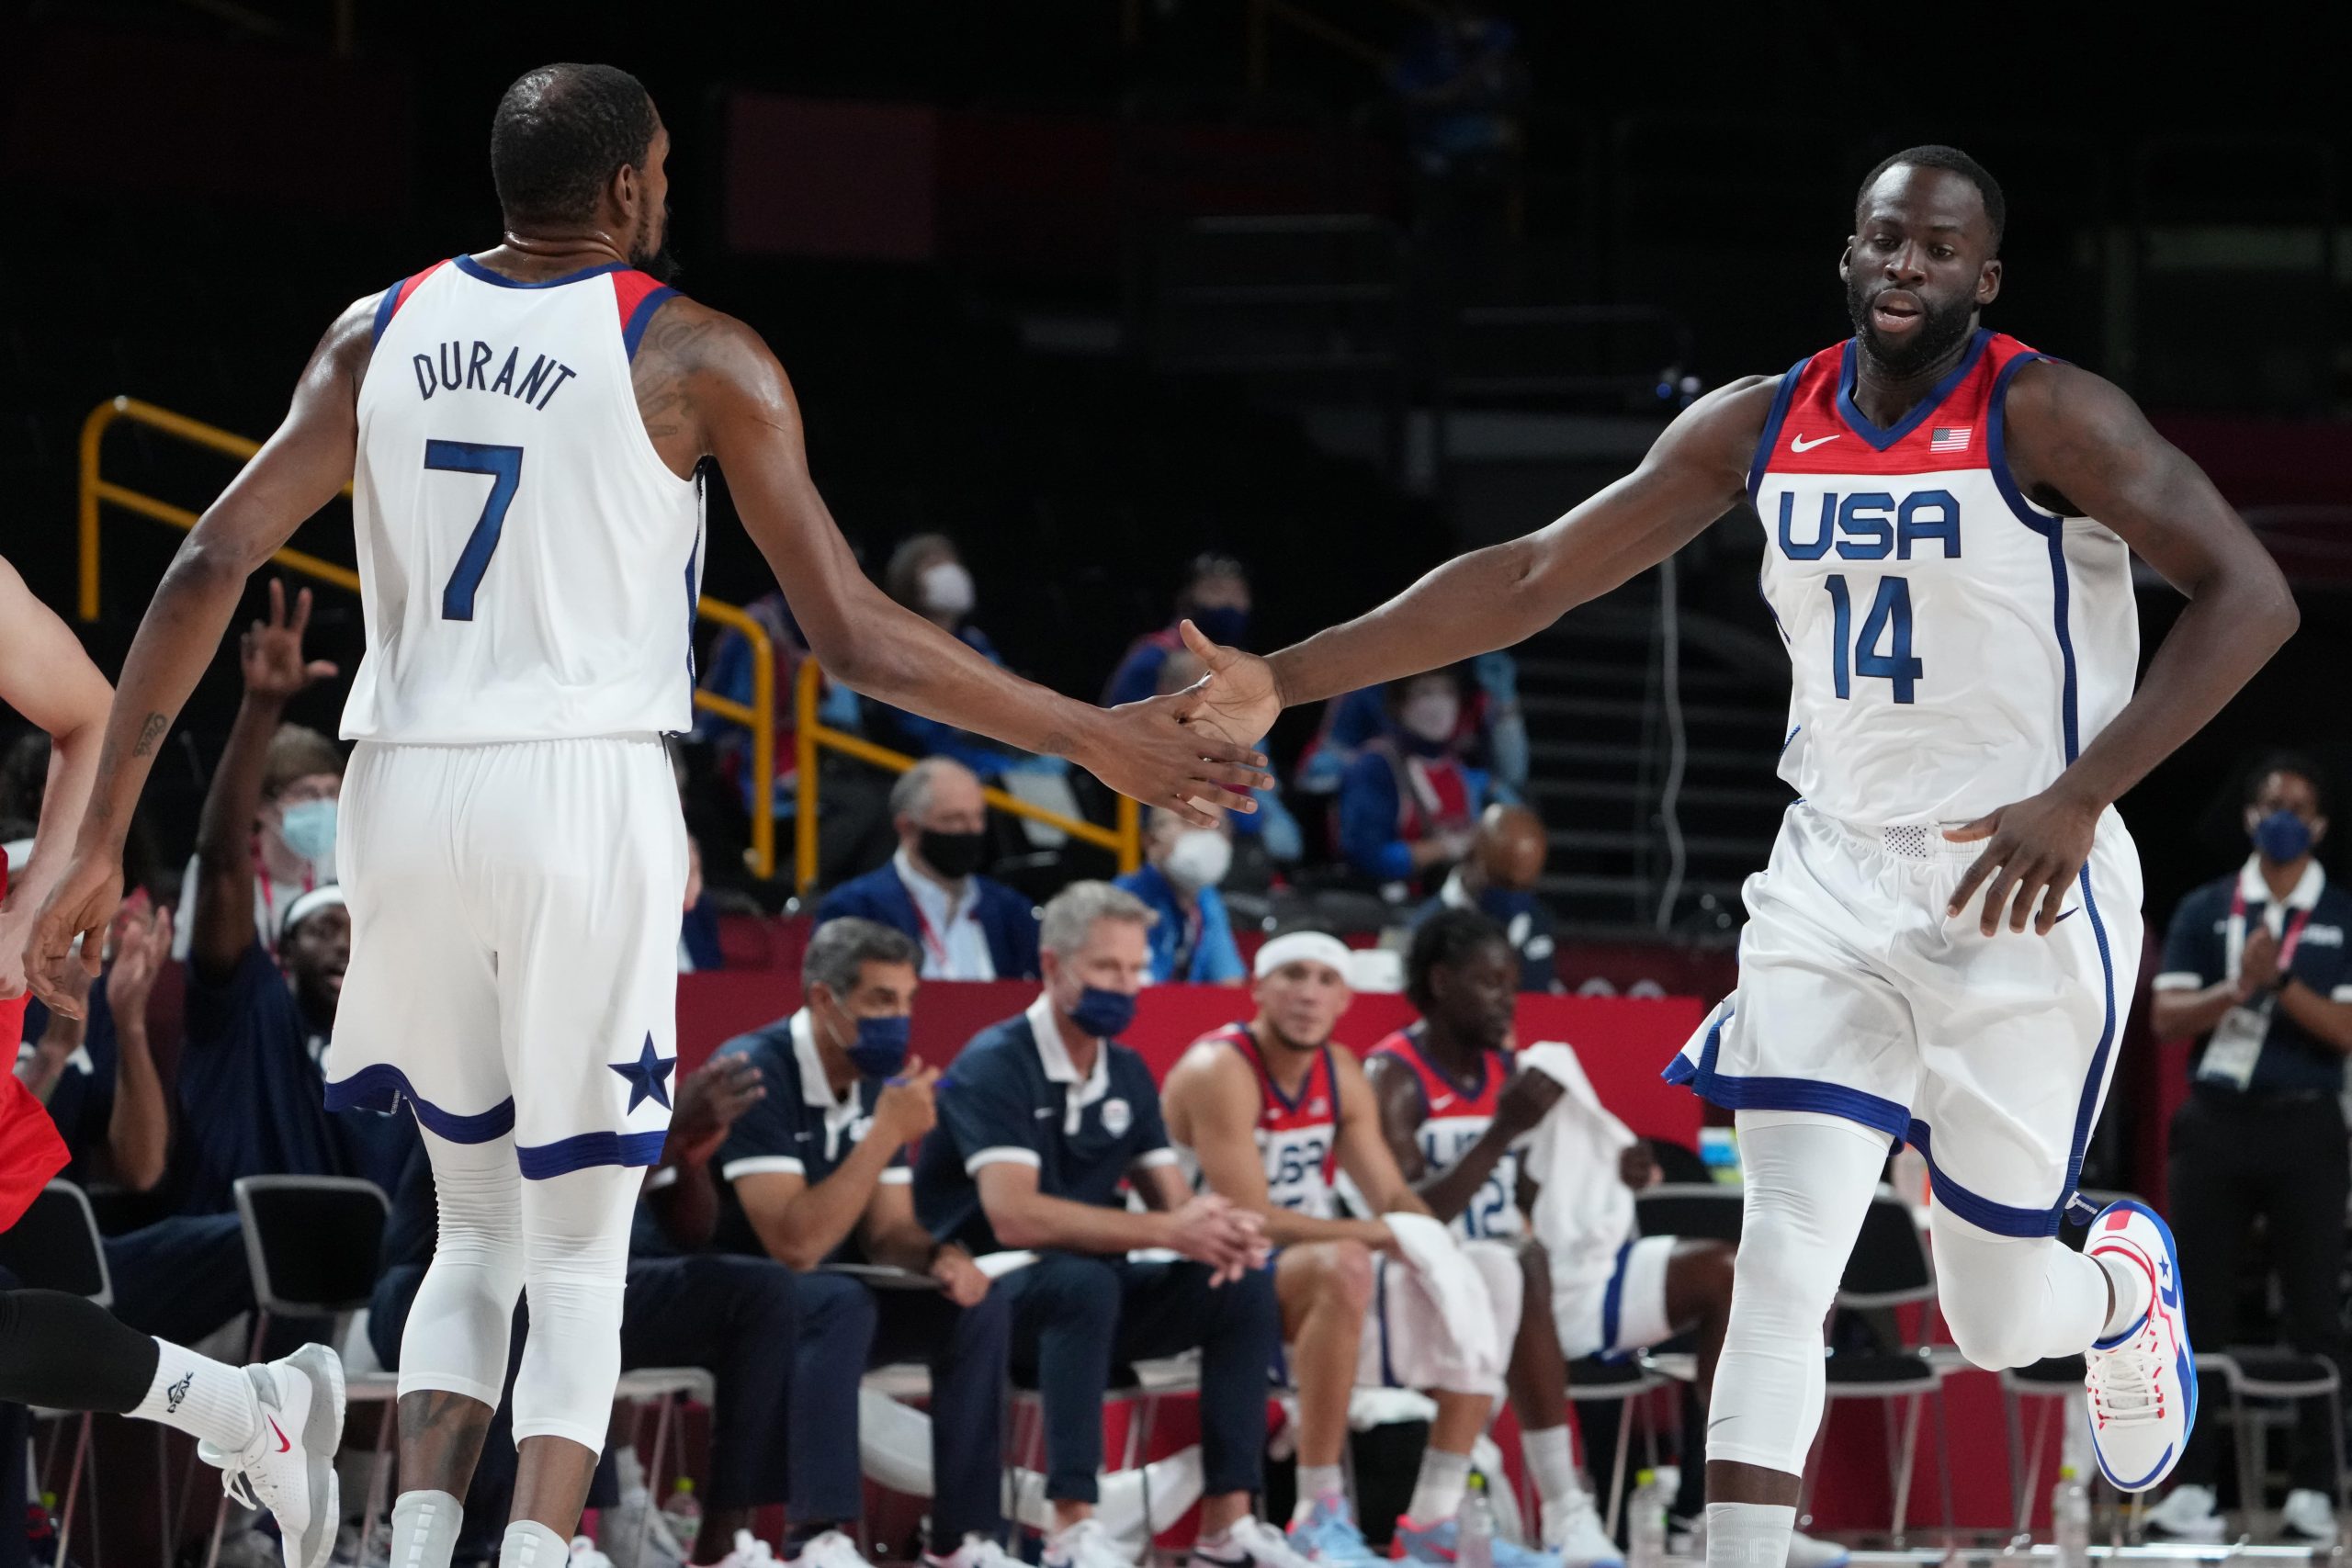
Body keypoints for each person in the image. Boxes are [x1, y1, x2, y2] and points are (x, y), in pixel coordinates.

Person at [27, 62, 1270, 1568]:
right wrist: (1089, 736)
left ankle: (419, 1547)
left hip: (404, 791)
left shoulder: (377, 330)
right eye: (665, 167)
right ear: (626, 186)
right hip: (579, 782)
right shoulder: (696, 352)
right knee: (580, 1238)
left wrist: (97, 835)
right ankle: (541, 1555)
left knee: (472, 1216)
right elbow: (856, 637)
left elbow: (210, 558)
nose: (670, 189)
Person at [1175, 144, 2301, 1564]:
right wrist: (1282, 672)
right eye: (1885, 239)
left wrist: (2084, 792)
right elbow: (1528, 575)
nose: (1906, 266)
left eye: (1939, 249)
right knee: (1782, 1260)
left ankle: (2123, 1283)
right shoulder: (1758, 424)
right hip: (1830, 876)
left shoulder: (2051, 412)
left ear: (1985, 276)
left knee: (1996, 1316)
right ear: (1849, 251)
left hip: (2022, 875)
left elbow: (2251, 598)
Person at [1373, 913, 1840, 1567]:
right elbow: (1409, 1214)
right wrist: (1501, 1132)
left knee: (1728, 1273)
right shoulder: (1392, 1077)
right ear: (1441, 981)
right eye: (1490, 983)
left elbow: (1531, 1192)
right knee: (1521, 1262)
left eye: (1511, 983)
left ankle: (1715, 1515)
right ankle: (1569, 1513)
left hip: (1528, 1284)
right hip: (1431, 1292)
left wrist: (1608, 1169)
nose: (1508, 999)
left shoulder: (1512, 1066)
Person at [913, 882, 1295, 1568]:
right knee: (1081, 1283)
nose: (1125, 985)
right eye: (1106, 969)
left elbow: (1176, 1208)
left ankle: (1226, 1524)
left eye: (1134, 969)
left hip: (1090, 1297)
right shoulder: (995, 1063)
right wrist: (1169, 1231)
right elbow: (1014, 1214)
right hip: (985, 1299)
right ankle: (1072, 1529)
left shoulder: (1126, 1069)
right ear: (1054, 966)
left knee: (1239, 1282)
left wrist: (1219, 1229)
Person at [1159, 931, 1558, 1568]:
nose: (1308, 994)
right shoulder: (1220, 1069)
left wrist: (1436, 1250)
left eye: (1324, 979)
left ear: (1345, 998)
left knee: (1493, 1267)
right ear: (1258, 988)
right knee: (1344, 1258)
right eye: (1292, 975)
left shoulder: (1340, 1070)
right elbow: (1250, 1219)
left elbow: (1393, 1197)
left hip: (1309, 1273)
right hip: (1210, 1273)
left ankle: (1433, 1517)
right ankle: (1318, 1511)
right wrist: (1378, 1234)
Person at [669, 918, 1015, 1568]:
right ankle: (817, 1536)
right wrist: (885, 1133)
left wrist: (940, 1257)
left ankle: (964, 1540)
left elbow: (890, 1233)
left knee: (974, 1306)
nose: (900, 1018)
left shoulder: (869, 1078)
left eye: (909, 1000)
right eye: (882, 1000)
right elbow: (794, 1245)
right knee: (835, 1294)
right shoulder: (756, 1072)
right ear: (825, 999)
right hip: (737, 1304)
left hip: (820, 1308)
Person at [368, 1055, 790, 1568]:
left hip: (584, 1278)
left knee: (760, 1294)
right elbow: (545, 1194)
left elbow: (691, 1231)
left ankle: (722, 1547)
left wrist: (685, 1149)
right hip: (437, 1282)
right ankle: (520, 1542)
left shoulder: (627, 1062)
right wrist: (667, 1126)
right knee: (532, 1302)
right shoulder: (515, 1053)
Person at [2143, 751, 2352, 1544]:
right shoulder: (2207, 907)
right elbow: (2165, 1020)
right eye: (2271, 804)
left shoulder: (2340, 914)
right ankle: (2193, 1485)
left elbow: (2345, 1029)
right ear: (2249, 819)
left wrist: (2277, 984)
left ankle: (2313, 1488)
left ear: (2322, 826)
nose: (2284, 816)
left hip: (2306, 1124)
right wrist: (2237, 986)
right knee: (2195, 1306)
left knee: (2313, 1312)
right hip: (2217, 1121)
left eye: (2300, 805)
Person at [175, 583, 409, 1209]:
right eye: (324, 929)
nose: (344, 943)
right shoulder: (257, 1012)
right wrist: (260, 706)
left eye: (354, 930)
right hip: (251, 1245)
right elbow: (224, 864)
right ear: (282, 950)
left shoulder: (405, 1038)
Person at [816, 758, 1042, 980]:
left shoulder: (1010, 910)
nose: (971, 830)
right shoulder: (856, 909)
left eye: (978, 817)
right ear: (907, 827)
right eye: (954, 819)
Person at [1336, 671, 1488, 898]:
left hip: (1451, 898)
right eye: (1424, 693)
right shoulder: (1375, 766)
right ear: (1400, 704)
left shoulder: (1461, 771)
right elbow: (1366, 854)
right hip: (1389, 901)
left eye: (1447, 693)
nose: (1438, 706)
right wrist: (1443, 849)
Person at [1418, 803, 1559, 993]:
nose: (1512, 895)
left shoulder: (1539, 922)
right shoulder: (1427, 928)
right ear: (1473, 856)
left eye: (1524, 886)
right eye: (1501, 881)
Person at [1104, 555, 1252, 709]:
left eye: (1238, 592)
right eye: (1216, 590)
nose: (1229, 601)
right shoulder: (1153, 657)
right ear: (1186, 599)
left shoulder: (1244, 662)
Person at [1116, 808, 1246, 986]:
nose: (1205, 835)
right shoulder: (1124, 900)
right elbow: (1137, 989)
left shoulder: (1208, 899)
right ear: (1150, 840)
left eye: (1217, 825)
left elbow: (1230, 982)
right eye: (1188, 822)